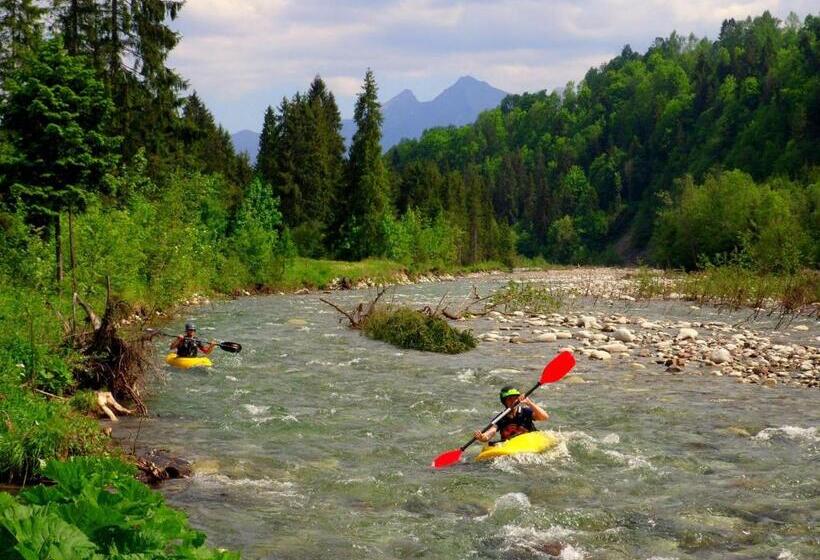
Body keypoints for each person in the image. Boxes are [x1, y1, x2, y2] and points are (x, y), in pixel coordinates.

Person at [474, 385, 549, 443]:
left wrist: (529, 403)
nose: (513, 401)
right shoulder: (500, 418)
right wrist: (482, 437)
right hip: (510, 446)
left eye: (515, 398)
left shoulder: (525, 412)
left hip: (530, 441)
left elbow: (544, 417)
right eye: (509, 399)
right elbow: (490, 433)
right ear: (504, 402)